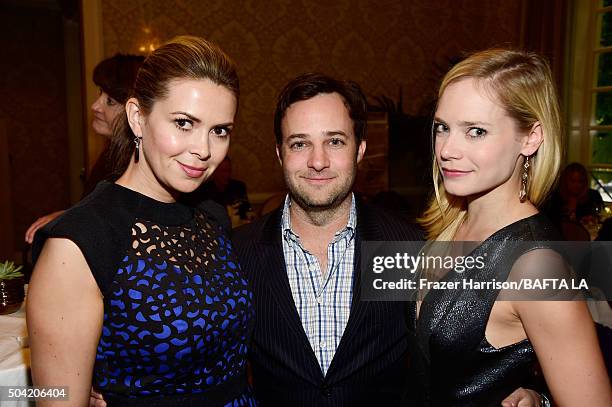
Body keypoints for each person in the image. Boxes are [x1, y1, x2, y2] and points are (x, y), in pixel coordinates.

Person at [231, 73, 538, 406]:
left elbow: (460, 350)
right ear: (279, 153)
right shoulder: (237, 252)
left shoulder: (410, 248)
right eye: (299, 143)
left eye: (335, 141)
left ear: (360, 149)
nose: (317, 161)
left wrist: (526, 393)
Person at [28, 36, 255, 406]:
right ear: (138, 117)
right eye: (184, 123)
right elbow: (53, 397)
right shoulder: (80, 241)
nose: (204, 149)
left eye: (220, 130)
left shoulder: (212, 217)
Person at [413, 49, 611, 405]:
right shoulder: (453, 221)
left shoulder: (536, 265)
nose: (447, 149)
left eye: (476, 131)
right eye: (443, 127)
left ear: (531, 138)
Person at [24, 54, 144, 244]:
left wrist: (73, 217)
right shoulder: (112, 154)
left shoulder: (140, 164)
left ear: (136, 113)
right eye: (100, 94)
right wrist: (70, 214)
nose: (95, 106)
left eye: (110, 101)